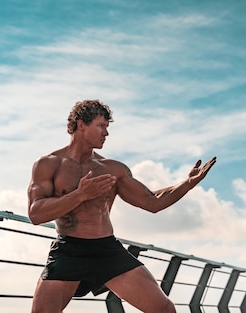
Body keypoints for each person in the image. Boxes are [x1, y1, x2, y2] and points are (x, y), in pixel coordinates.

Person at [27, 99, 216, 313]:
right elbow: (36, 214)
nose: (106, 133)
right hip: (69, 252)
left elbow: (151, 202)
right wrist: (80, 195)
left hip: (106, 250)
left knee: (164, 309)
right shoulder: (49, 164)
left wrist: (187, 184)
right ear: (81, 125)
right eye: (101, 126)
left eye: (107, 127)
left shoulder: (112, 169)